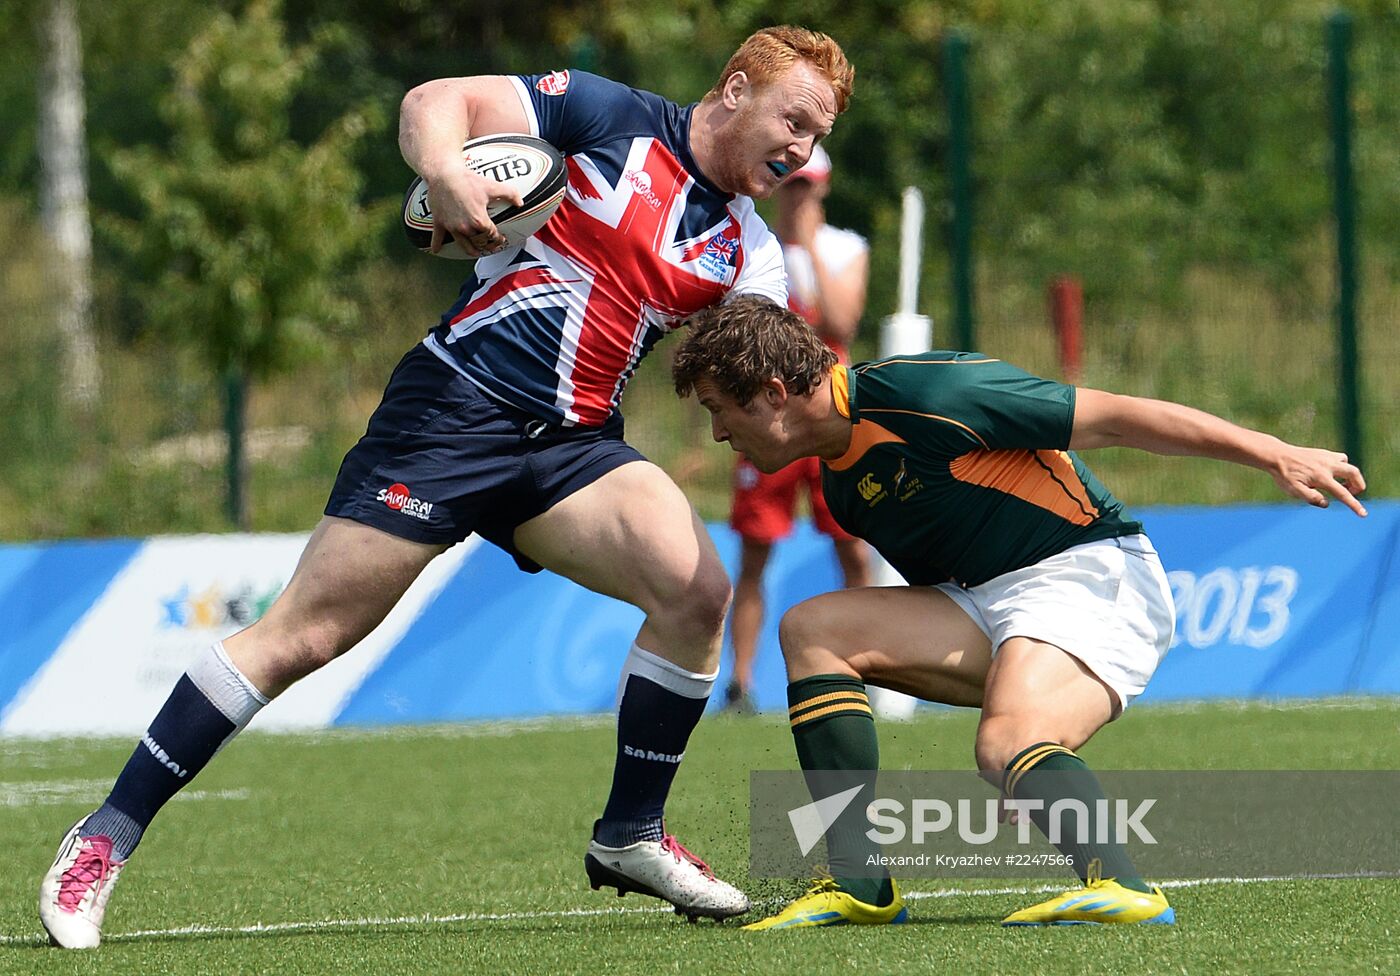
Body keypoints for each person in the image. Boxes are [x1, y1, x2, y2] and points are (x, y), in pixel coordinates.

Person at [37, 28, 855, 948]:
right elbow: (434, 102)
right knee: (304, 635)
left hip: (573, 444)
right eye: (794, 121)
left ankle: (630, 833)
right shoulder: (607, 116)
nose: (801, 150)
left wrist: (874, 421)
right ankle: (105, 835)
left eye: (817, 138)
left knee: (697, 592)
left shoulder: (749, 255)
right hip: (453, 413)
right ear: (736, 88)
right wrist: (453, 177)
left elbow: (769, 377)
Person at [671, 296, 1366, 930]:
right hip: (988, 600)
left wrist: (1275, 452)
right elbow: (946, 599)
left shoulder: (929, 392)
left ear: (773, 392)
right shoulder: (846, 487)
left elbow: (1119, 416)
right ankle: (859, 881)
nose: (718, 434)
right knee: (813, 630)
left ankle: (1123, 886)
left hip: (1092, 572)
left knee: (1005, 746)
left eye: (717, 410)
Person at [724, 144, 871, 713]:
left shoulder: (844, 248)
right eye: (790, 183)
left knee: (853, 547)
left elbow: (842, 322)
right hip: (770, 420)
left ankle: (870, 669)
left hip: (833, 419)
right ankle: (740, 684)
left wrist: (807, 243)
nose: (798, 194)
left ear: (824, 188)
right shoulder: (753, 247)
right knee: (755, 553)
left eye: (808, 185)